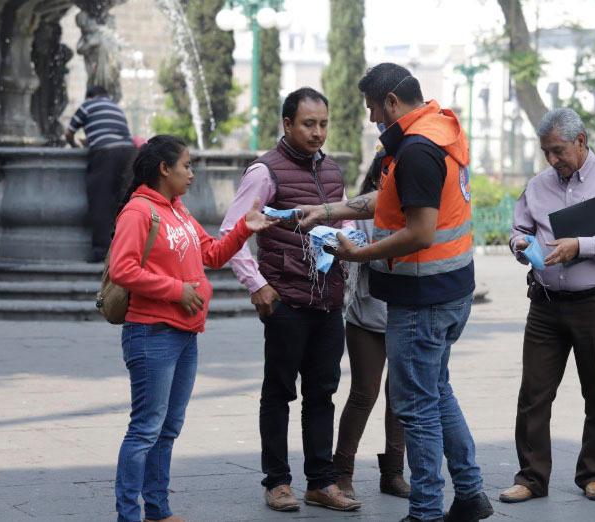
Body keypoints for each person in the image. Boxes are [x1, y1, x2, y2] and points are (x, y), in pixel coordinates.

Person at [296, 63, 493, 522]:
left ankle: (425, 510)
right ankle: (470, 493)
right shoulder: (437, 131)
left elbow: (420, 233)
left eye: (371, 108)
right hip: (449, 289)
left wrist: (356, 256)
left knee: (416, 405)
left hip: (423, 298)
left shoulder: (419, 150)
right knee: (436, 392)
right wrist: (326, 211)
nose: (370, 119)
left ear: (390, 102)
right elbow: (386, 198)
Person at [109, 135, 277, 522]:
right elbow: (122, 269)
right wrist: (176, 291)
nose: (192, 173)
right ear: (164, 169)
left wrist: (245, 229)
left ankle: (158, 510)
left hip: (184, 334)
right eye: (186, 165)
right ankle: (128, 515)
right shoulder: (139, 211)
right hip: (152, 333)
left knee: (167, 428)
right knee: (146, 428)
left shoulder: (178, 210)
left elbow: (213, 254)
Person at [219, 87, 361, 513]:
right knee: (278, 392)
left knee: (323, 392)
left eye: (323, 124)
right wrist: (257, 285)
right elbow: (232, 231)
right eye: (308, 124)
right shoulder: (265, 172)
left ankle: (320, 482)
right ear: (287, 124)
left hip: (328, 302)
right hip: (286, 302)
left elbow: (343, 227)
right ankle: (277, 481)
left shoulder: (333, 172)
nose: (318, 133)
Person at [499, 108, 595, 504]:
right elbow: (520, 228)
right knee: (533, 394)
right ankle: (531, 477)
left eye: (559, 151)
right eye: (546, 152)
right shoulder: (538, 185)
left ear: (580, 141)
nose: (552, 160)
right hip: (545, 304)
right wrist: (519, 244)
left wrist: (582, 245)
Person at [332, 143, 410, 501]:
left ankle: (393, 472)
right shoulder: (363, 210)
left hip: (407, 313)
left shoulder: (418, 209)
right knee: (364, 392)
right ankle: (342, 473)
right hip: (367, 314)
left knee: (401, 396)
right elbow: (349, 256)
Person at [65, 85, 136, 262]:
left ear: (90, 96)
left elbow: (69, 133)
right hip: (129, 153)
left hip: (105, 154)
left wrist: (75, 145)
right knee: (125, 202)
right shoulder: (116, 108)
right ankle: (129, 252)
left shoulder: (87, 106)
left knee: (101, 201)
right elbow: (114, 133)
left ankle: (102, 253)